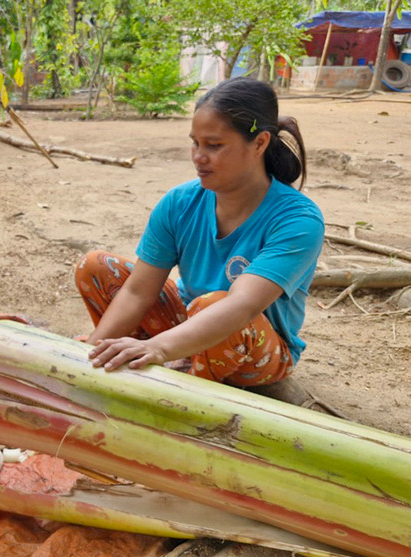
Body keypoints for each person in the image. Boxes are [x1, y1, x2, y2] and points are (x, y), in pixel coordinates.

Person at [76, 77, 324, 387]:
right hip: (187, 325)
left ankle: (177, 384)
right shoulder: (180, 202)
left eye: (214, 145)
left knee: (216, 305)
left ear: (259, 143)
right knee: (96, 267)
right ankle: (162, 362)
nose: (198, 156)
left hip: (254, 349)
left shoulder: (298, 220)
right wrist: (90, 353)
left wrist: (156, 346)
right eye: (195, 142)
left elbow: (241, 306)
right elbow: (138, 291)